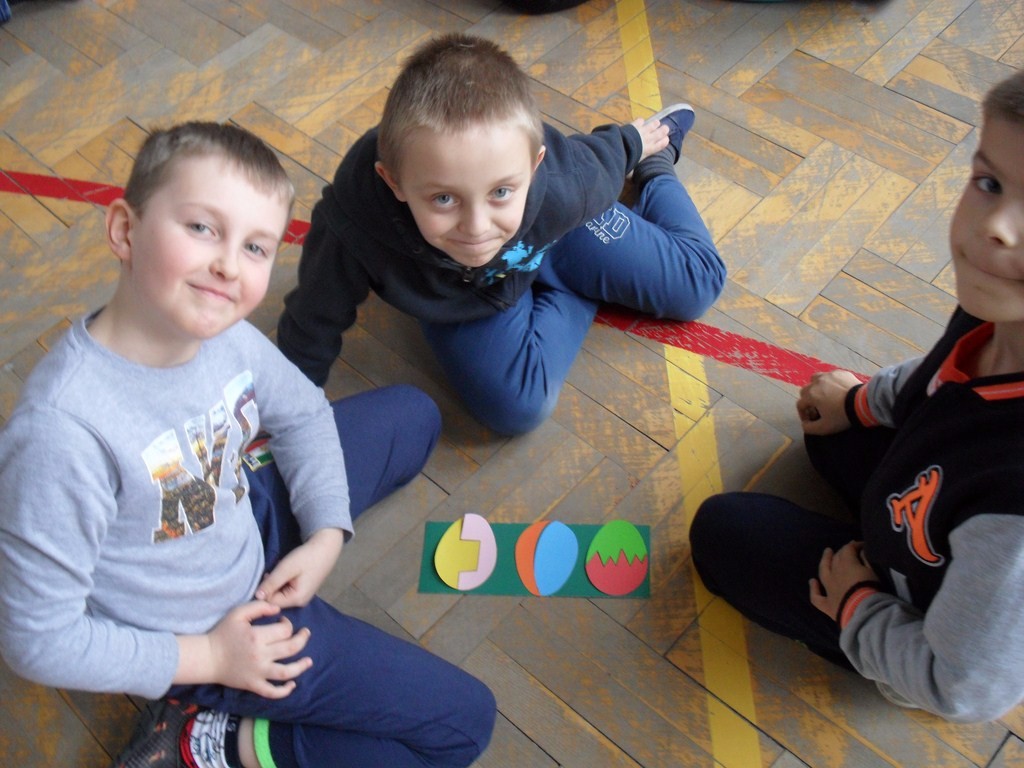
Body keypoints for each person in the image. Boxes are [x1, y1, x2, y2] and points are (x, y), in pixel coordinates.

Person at [0, 121, 496, 768]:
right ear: (124, 230)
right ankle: (208, 738)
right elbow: (37, 640)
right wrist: (210, 657)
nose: (229, 265)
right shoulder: (63, 434)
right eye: (202, 227)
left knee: (414, 416)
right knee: (464, 724)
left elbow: (305, 415)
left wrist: (325, 535)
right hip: (213, 627)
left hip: (233, 513)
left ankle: (263, 516)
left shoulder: (221, 330)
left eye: (256, 246)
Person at [688, 68, 1024, 723]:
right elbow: (941, 377)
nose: (997, 227)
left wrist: (858, 607)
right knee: (828, 427)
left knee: (722, 533)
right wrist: (862, 401)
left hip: (917, 620)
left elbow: (962, 688)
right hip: (931, 506)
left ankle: (870, 630)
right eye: (990, 183)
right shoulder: (1000, 305)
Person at [277, 32, 725, 436]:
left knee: (698, 284)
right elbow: (311, 323)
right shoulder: (351, 224)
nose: (477, 228)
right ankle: (577, 283)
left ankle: (656, 173)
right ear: (394, 183)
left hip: (558, 231)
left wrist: (635, 145)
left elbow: (601, 162)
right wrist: (288, 419)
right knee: (519, 409)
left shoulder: (566, 182)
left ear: (534, 167)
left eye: (501, 192)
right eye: (444, 199)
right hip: (463, 297)